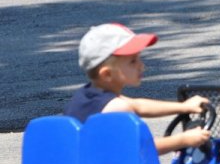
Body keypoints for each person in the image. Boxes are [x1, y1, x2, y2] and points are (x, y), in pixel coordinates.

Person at [64, 23, 211, 155]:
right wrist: (184, 139)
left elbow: (138, 105)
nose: (141, 66)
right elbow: (139, 148)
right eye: (133, 61)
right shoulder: (117, 107)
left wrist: (183, 107)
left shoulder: (85, 95)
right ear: (107, 74)